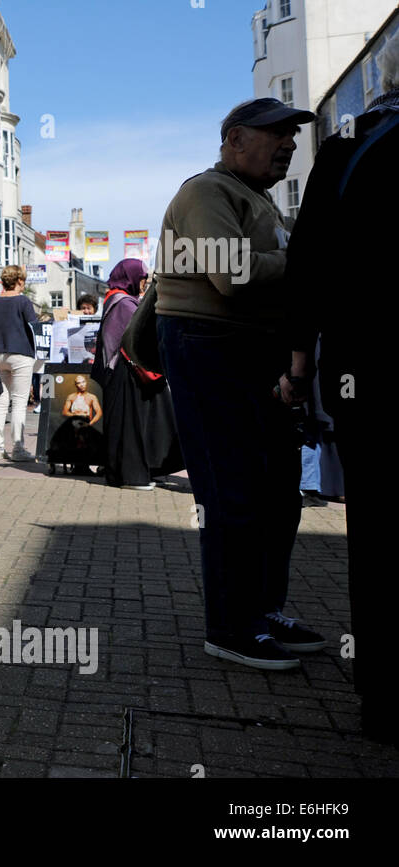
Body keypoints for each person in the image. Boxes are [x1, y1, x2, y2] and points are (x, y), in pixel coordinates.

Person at [155, 96, 326, 672]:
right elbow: (232, 275)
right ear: (233, 140)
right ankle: (230, 626)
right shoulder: (207, 192)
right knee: (234, 494)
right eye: (276, 133)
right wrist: (301, 257)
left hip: (247, 349)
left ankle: (261, 610)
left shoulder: (258, 202)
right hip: (210, 346)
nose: (289, 144)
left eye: (293, 135)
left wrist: (281, 252)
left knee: (278, 492)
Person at [286, 39, 399, 739]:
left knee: (379, 534)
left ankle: (385, 699)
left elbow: (309, 270)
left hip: (372, 373)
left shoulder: (353, 146)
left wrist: (298, 370)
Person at [91, 259, 182, 490]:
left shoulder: (117, 298)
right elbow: (134, 336)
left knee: (131, 424)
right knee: (131, 425)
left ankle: (134, 472)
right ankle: (132, 476)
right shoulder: (123, 303)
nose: (143, 284)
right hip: (126, 371)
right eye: (142, 279)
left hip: (124, 371)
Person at [0, 265, 39, 461]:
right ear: (19, 281)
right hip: (21, 354)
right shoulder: (23, 302)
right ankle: (18, 449)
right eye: (23, 281)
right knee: (18, 404)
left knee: (0, 403)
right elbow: (33, 327)